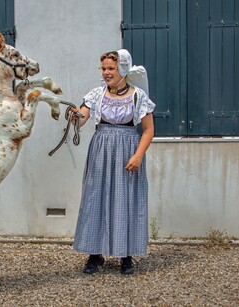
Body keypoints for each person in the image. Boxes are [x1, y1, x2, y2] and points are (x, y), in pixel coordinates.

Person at [72, 49, 155, 275]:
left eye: (111, 68)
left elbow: (148, 131)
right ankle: (94, 253)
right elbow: (82, 118)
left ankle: (126, 255)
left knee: (126, 199)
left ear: (123, 69)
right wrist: (73, 115)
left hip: (128, 149)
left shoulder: (138, 96)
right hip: (101, 150)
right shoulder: (97, 95)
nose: (107, 73)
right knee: (95, 198)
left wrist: (138, 156)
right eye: (104, 68)